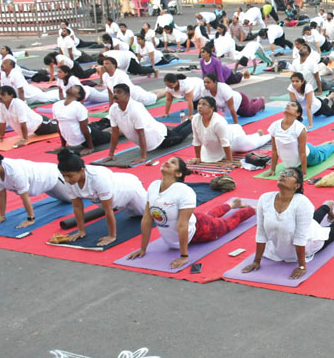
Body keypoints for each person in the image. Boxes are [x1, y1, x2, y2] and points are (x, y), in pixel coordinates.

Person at [126, 157, 256, 269]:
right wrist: (143, 248)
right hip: (196, 219)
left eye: (173, 163)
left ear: (178, 174)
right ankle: (233, 204)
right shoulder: (154, 186)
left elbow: (183, 225)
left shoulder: (184, 191)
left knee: (229, 222)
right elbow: (147, 219)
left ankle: (255, 209)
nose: (167, 162)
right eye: (168, 161)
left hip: (202, 229)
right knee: (210, 215)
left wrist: (183, 256)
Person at [242, 167, 334, 279]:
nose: (283, 175)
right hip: (282, 243)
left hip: (308, 240)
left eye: (289, 174)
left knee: (333, 230)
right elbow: (261, 232)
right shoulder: (265, 198)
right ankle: (328, 206)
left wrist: (302, 266)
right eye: (283, 172)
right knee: (311, 220)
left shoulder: (303, 203)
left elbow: (300, 237)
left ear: (296, 186)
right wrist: (256, 261)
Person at [57, 149, 146, 246]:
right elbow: (77, 207)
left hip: (129, 188)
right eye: (64, 175)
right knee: (135, 216)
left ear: (81, 170)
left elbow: (108, 209)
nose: (66, 179)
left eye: (69, 176)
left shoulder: (98, 178)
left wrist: (112, 236)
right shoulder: (70, 180)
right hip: (116, 200)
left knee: (152, 214)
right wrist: (81, 231)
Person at [102, 84, 192, 166]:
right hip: (157, 132)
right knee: (176, 132)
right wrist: (111, 154)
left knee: (180, 136)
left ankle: (194, 122)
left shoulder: (135, 108)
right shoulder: (113, 109)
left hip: (160, 138)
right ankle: (190, 121)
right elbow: (114, 132)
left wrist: (143, 157)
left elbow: (141, 132)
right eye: (114, 92)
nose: (115, 95)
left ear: (128, 95)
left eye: (119, 92)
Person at [0, 153, 72, 229]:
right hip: (42, 185)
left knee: (71, 199)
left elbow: (24, 196)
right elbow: (0, 193)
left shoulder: (15, 173)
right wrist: (1, 216)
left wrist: (30, 219)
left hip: (52, 177)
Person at [265, 102, 334, 178]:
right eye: (288, 104)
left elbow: (302, 152)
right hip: (299, 149)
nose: (288, 105)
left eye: (293, 105)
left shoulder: (299, 128)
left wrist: (304, 173)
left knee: (321, 154)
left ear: (297, 114)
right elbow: (274, 150)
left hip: (309, 156)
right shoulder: (275, 125)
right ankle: (320, 147)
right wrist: (272, 170)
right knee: (314, 148)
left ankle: (333, 145)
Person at [190, 97, 270, 165]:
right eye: (199, 104)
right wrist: (198, 158)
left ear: (211, 108)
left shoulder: (218, 122)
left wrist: (229, 160)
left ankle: (270, 136)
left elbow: (225, 142)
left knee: (252, 144)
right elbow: (196, 139)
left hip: (234, 138)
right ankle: (258, 134)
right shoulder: (195, 119)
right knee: (249, 139)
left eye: (204, 104)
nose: (200, 106)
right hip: (221, 137)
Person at [50, 84, 111, 154]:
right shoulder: (56, 105)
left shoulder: (78, 106)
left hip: (91, 136)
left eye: (76, 87)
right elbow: (60, 127)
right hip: (87, 130)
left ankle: (122, 127)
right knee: (101, 124)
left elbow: (84, 128)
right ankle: (108, 120)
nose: (71, 86)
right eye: (72, 86)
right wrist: (63, 146)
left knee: (111, 133)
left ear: (78, 95)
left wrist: (90, 147)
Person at [0, 85, 58, 149]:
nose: (0, 96)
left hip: (43, 125)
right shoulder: (2, 105)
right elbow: (2, 122)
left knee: (60, 126)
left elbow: (23, 122)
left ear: (11, 95)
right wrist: (0, 137)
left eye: (3, 95)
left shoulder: (18, 104)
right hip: (33, 131)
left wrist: (24, 139)